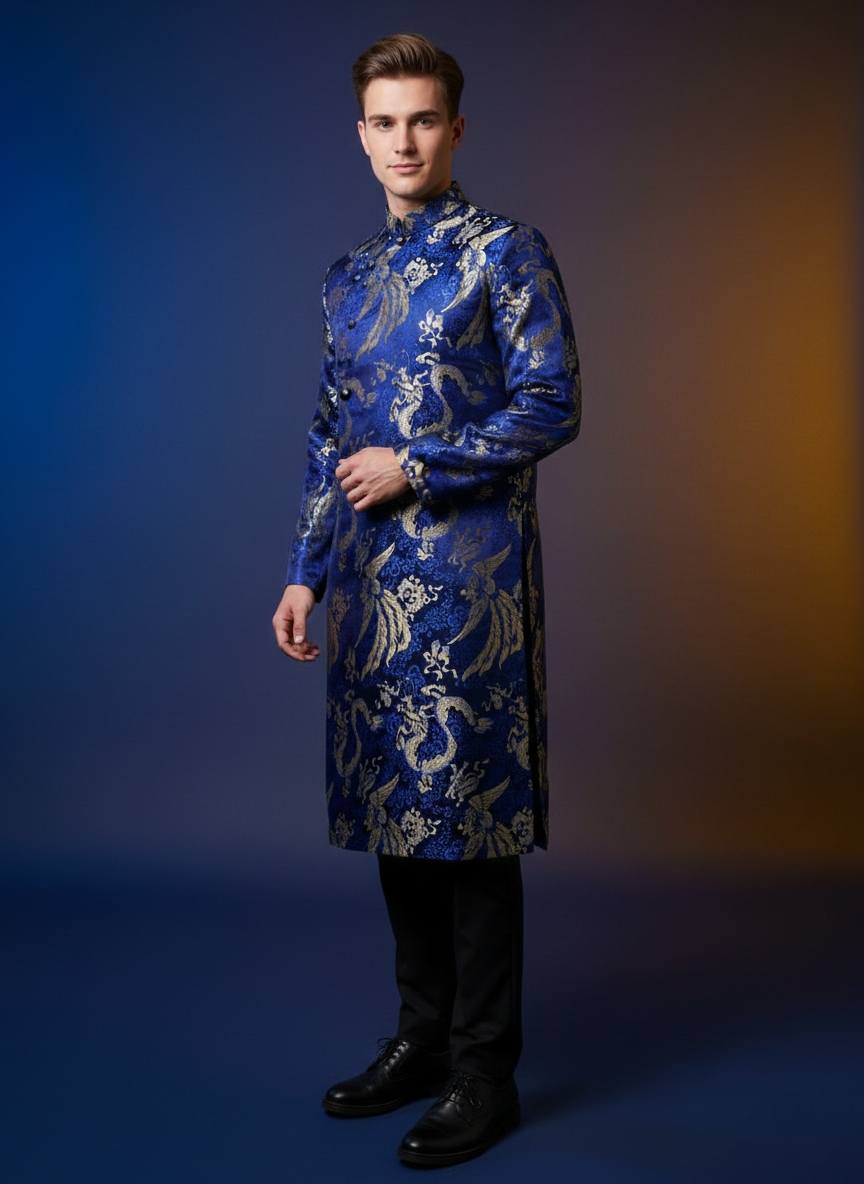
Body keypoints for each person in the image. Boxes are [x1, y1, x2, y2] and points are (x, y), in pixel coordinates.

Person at [271, 31, 581, 1168]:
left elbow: (552, 402)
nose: (404, 141)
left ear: (456, 128)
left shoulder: (505, 251)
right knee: (395, 811)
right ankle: (423, 1037)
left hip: (468, 583)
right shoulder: (347, 278)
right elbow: (327, 436)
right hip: (368, 587)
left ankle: (484, 1070)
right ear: (361, 136)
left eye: (423, 119)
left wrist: (418, 463)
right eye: (384, 122)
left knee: (470, 820)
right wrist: (305, 569)